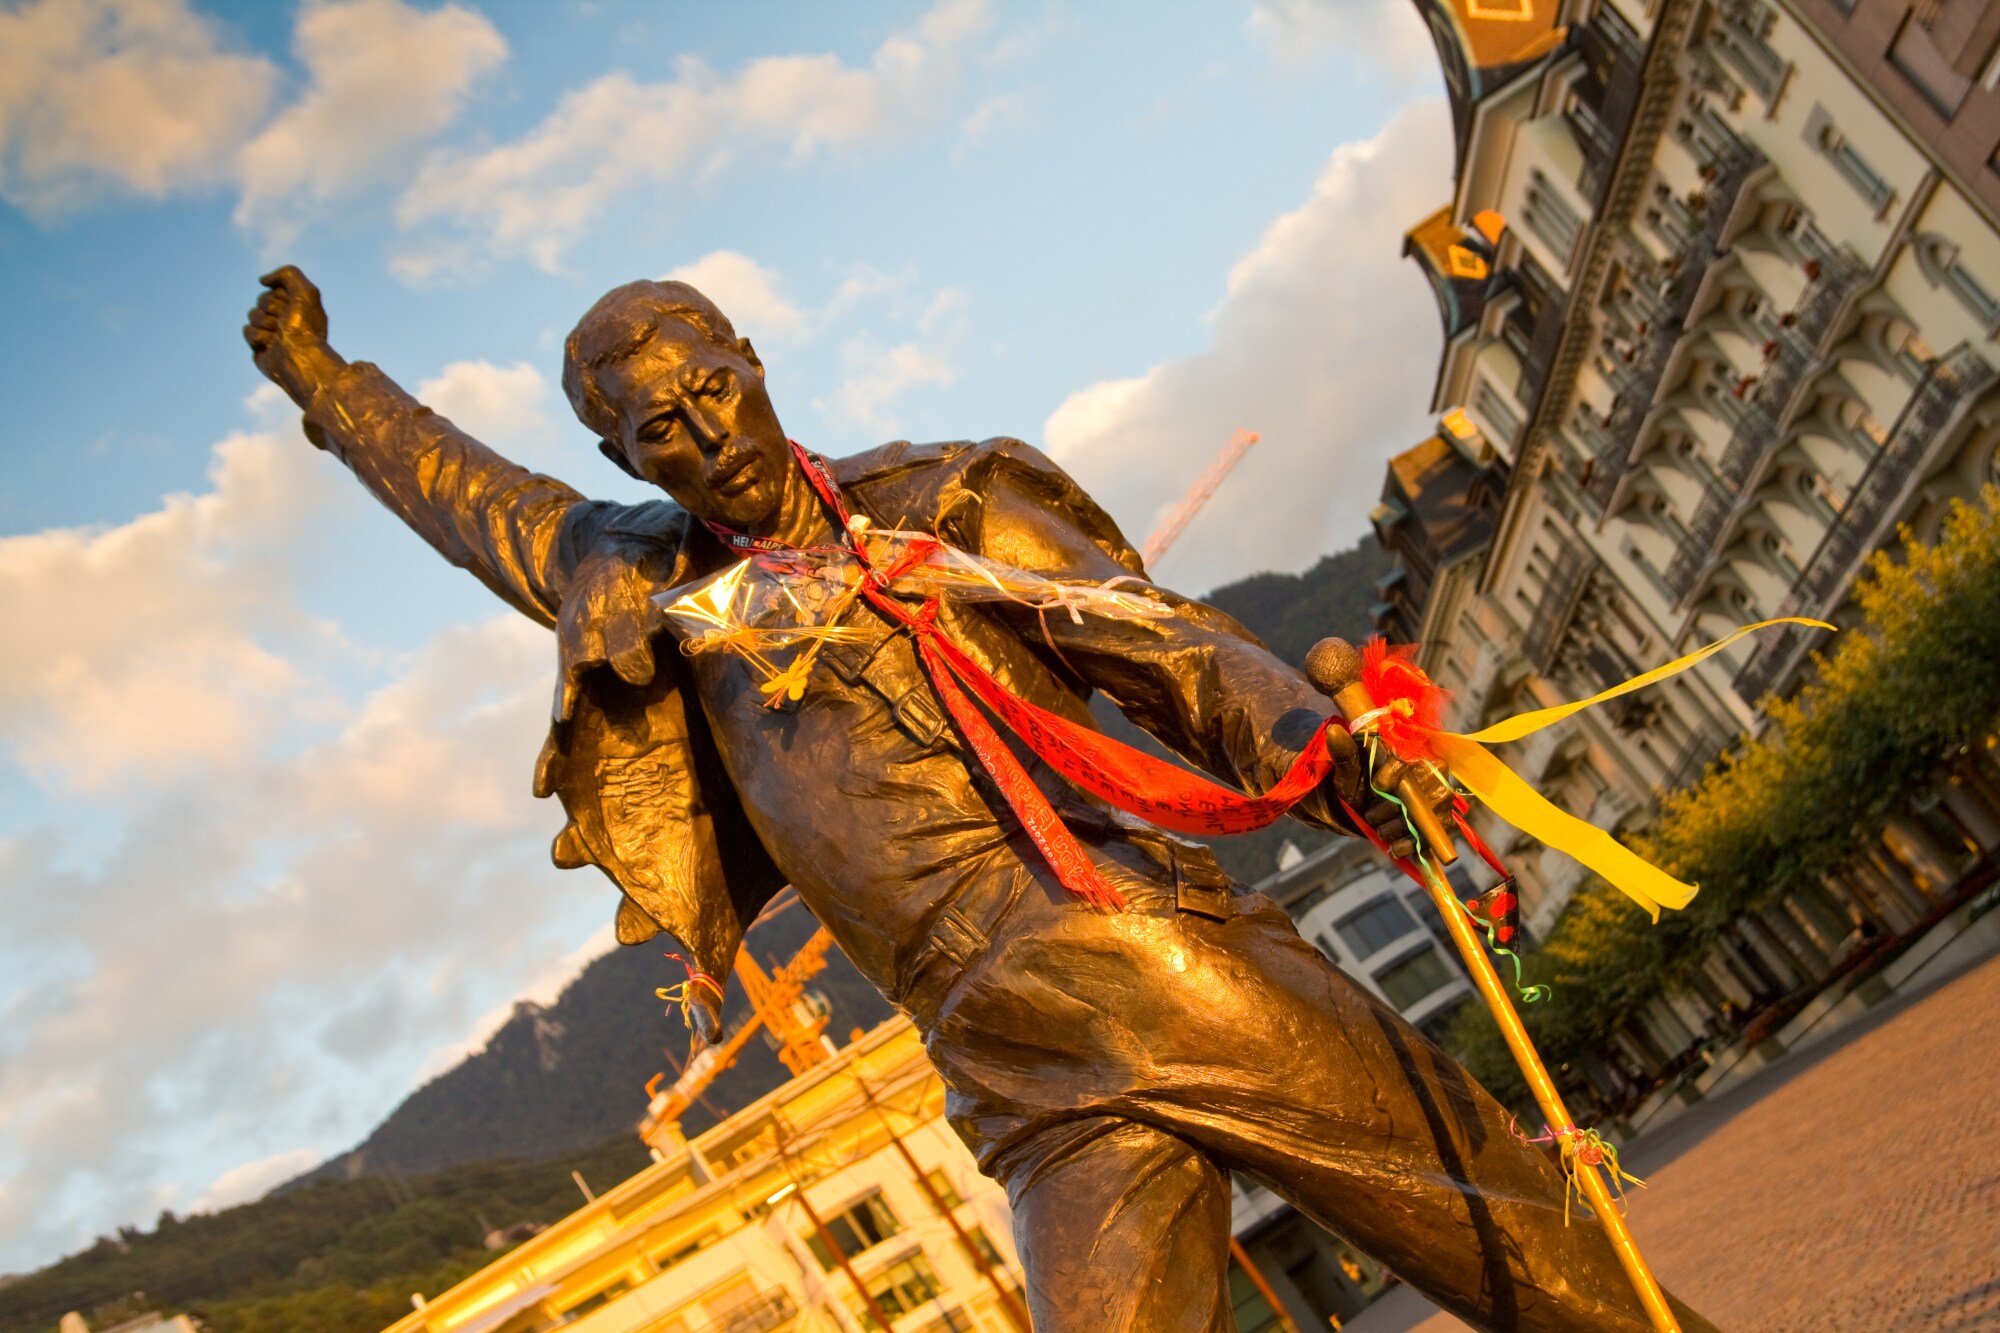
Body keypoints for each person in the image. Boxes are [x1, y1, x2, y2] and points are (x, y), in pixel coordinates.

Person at [244, 267, 1718, 1332]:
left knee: (1520, 1246)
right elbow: (464, 494)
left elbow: (1149, 637)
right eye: (661, 432)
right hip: (1000, 1052)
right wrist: (328, 388)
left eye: (714, 390)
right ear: (622, 460)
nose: (706, 433)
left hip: (1139, 953)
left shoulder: (941, 498)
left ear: (753, 356)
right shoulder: (641, 580)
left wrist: (1306, 745)